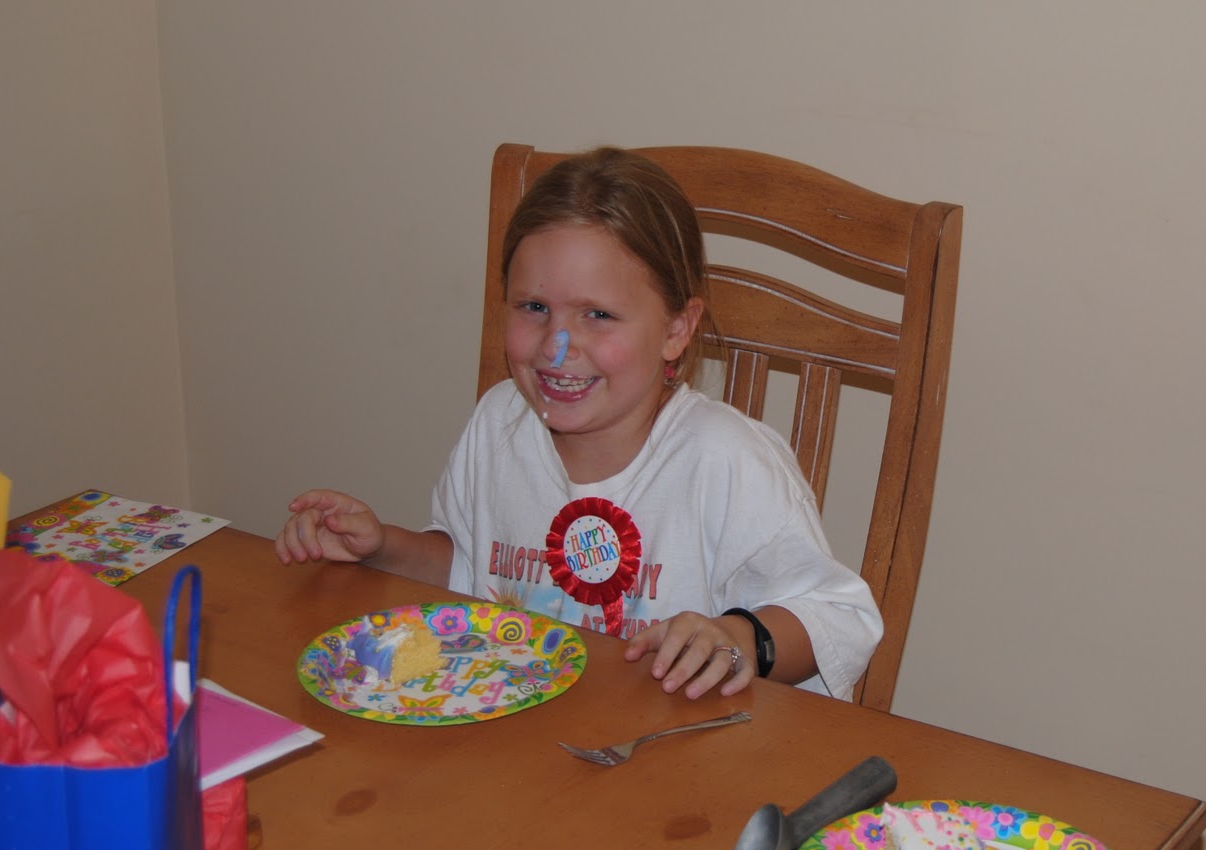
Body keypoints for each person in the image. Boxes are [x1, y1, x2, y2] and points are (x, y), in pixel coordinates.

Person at [275, 147, 882, 699]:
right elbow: (468, 566)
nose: (556, 347)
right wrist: (381, 547)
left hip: (673, 757)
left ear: (676, 329)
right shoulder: (498, 424)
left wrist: (739, 637)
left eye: (598, 315)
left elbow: (841, 619)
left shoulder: (724, 460)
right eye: (534, 307)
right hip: (520, 743)